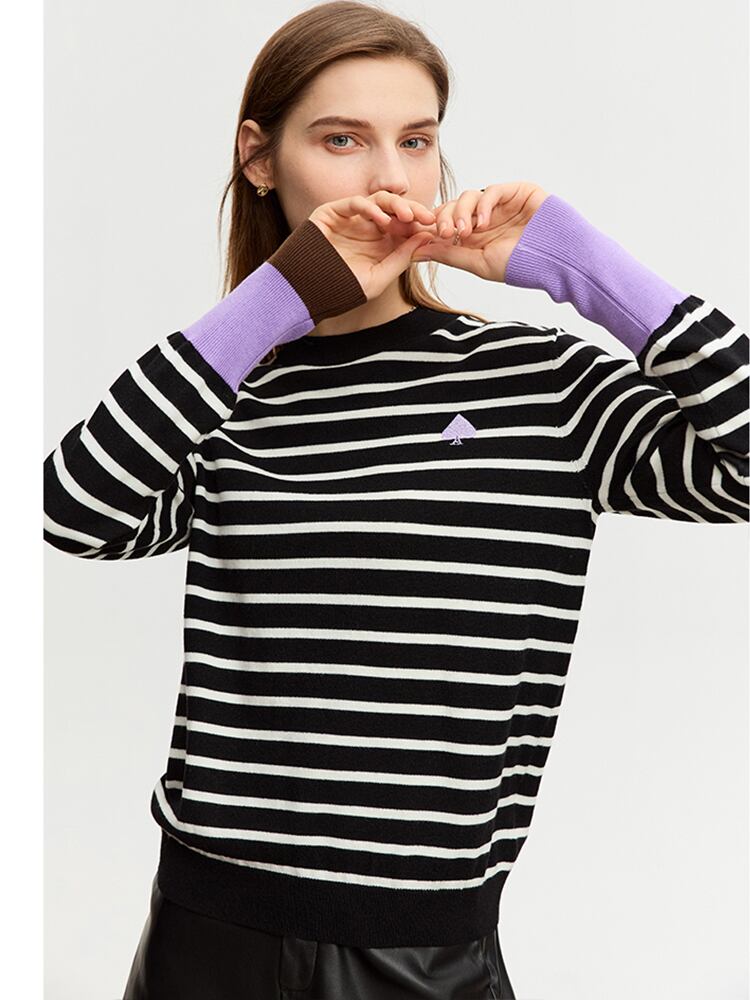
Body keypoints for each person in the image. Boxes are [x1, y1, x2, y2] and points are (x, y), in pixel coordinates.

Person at [43, 2, 748, 998]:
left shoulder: (536, 383)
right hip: (204, 933)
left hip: (421, 953)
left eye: (416, 141)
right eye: (343, 140)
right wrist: (274, 301)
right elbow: (75, 510)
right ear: (260, 158)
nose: (391, 178)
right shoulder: (227, 392)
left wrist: (596, 276)